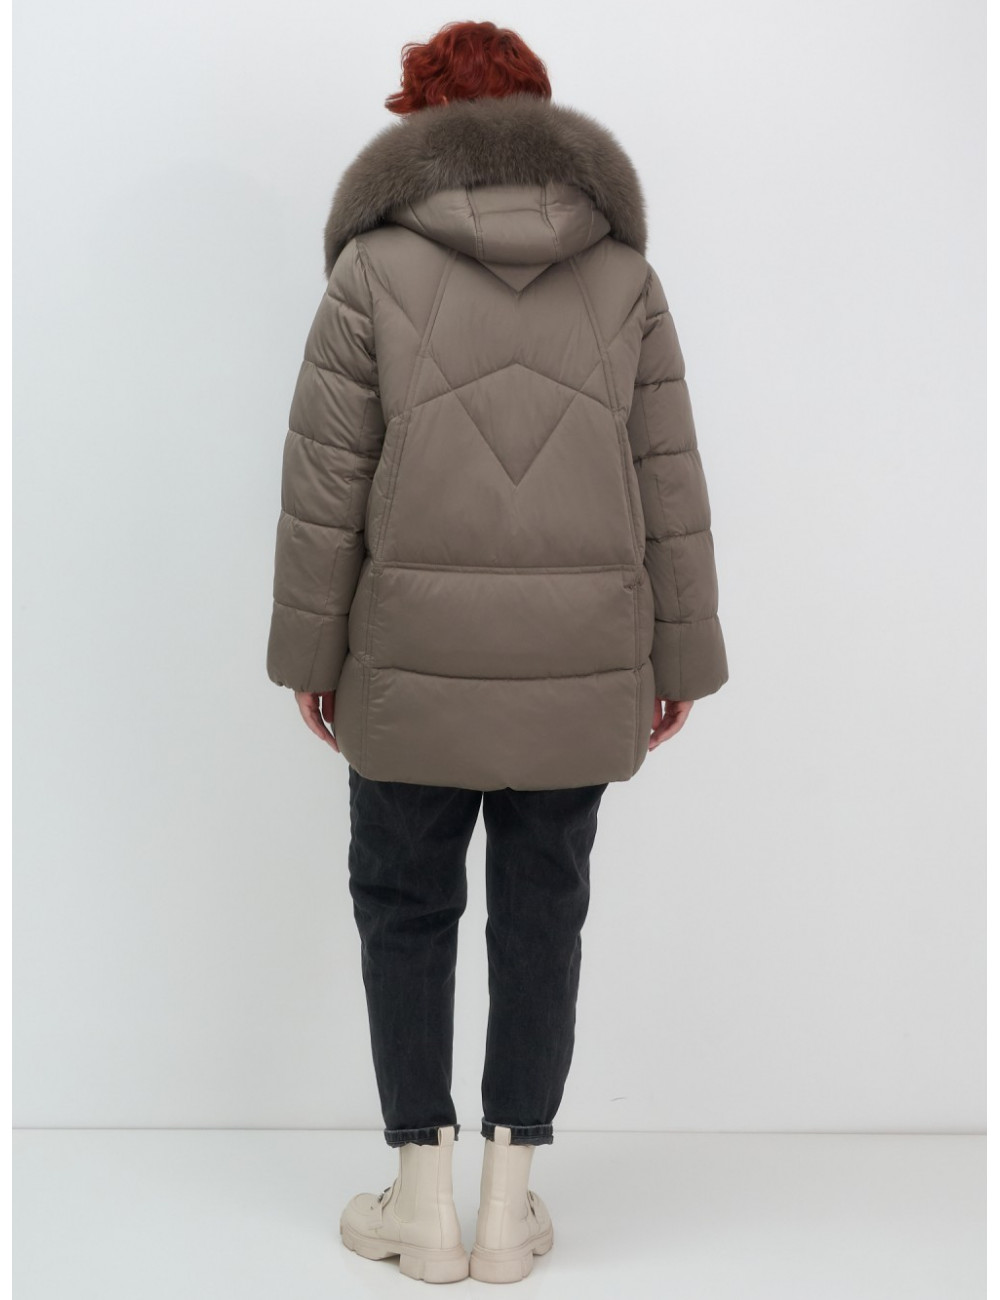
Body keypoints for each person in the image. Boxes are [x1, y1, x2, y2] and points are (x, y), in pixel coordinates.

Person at [265, 19, 729, 1286]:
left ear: (420, 125)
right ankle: (510, 1207)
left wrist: (313, 650)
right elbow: (669, 479)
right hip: (581, 656)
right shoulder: (623, 276)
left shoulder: (371, 269)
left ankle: (420, 1203)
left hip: (408, 655)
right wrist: (678, 655)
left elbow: (323, 485)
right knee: (543, 913)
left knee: (404, 907)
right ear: (539, 121)